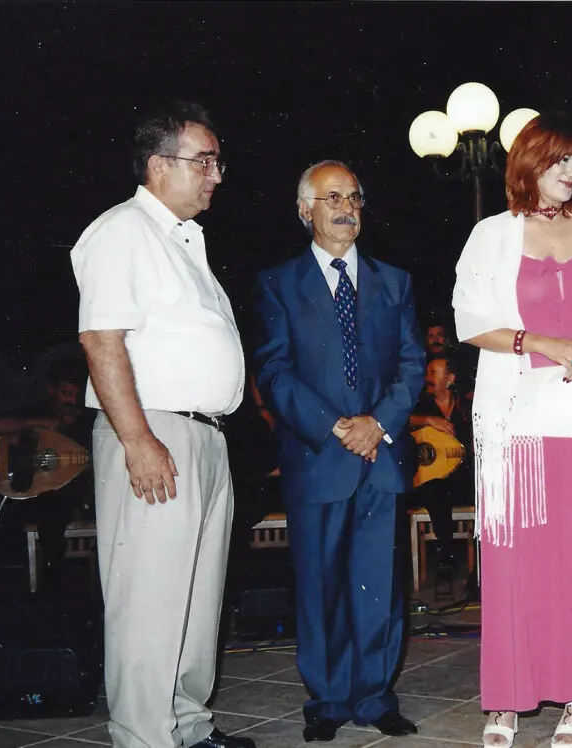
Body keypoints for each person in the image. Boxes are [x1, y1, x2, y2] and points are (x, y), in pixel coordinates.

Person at [452, 112, 572, 748]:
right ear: (530, 161)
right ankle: (506, 700)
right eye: (560, 159)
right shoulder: (492, 233)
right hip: (521, 421)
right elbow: (469, 322)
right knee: (520, 561)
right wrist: (546, 343)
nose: (571, 171)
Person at [70, 101, 252, 748]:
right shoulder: (123, 231)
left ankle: (189, 727)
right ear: (157, 165)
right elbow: (101, 341)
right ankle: (145, 738)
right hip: (154, 435)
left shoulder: (182, 240)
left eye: (216, 162)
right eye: (204, 161)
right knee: (149, 602)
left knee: (197, 601)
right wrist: (138, 440)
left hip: (203, 437)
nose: (216, 175)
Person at [253, 160, 425, 743]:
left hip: (379, 455)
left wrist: (377, 424)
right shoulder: (278, 283)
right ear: (306, 210)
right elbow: (274, 372)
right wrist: (335, 427)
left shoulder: (394, 281)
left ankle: (376, 697)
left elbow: (412, 364)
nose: (346, 207)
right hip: (318, 457)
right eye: (332, 197)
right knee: (320, 585)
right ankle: (326, 699)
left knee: (377, 582)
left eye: (353, 196)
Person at [0, 359, 96, 594]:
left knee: (55, 509)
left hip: (73, 494)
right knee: (6, 516)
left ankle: (57, 586)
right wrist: (35, 424)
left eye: (76, 395)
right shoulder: (38, 410)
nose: (72, 401)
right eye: (66, 393)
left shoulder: (88, 421)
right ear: (52, 391)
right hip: (34, 492)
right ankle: (5, 586)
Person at [407, 355, 475, 592]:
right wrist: (427, 419)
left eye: (433, 374)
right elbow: (399, 420)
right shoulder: (420, 403)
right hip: (431, 481)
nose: (428, 379)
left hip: (462, 477)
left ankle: (478, 570)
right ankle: (445, 555)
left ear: (450, 379)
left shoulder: (465, 407)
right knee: (433, 488)